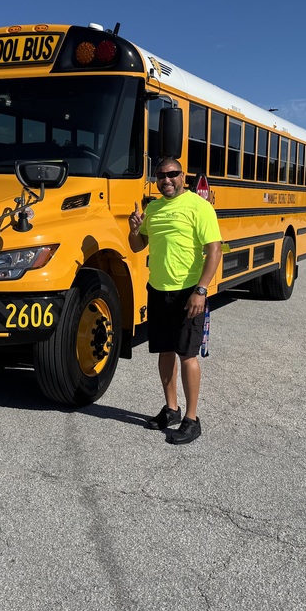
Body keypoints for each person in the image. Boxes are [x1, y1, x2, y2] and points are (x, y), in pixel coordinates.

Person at [128, 157, 222, 445]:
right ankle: (171, 409)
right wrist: (134, 229)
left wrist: (201, 290)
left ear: (183, 176)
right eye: (160, 175)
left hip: (188, 292)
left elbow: (214, 250)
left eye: (172, 174)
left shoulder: (199, 206)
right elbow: (138, 246)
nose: (166, 180)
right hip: (158, 290)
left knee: (187, 354)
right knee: (165, 351)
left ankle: (191, 419)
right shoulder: (153, 209)